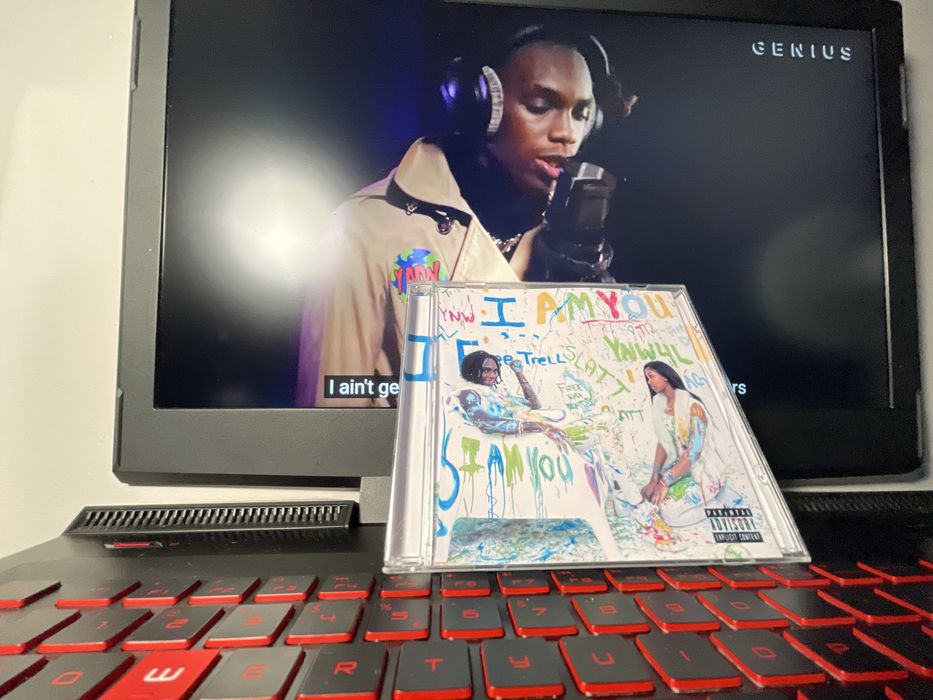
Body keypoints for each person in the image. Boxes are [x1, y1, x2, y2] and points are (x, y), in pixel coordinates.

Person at [295, 25, 635, 407]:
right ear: (482, 106)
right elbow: (334, 405)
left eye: (581, 113)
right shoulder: (364, 228)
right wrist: (416, 393)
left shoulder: (574, 242)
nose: (566, 133)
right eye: (541, 106)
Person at [638, 360, 727, 525]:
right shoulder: (661, 405)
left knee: (669, 514)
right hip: (681, 470)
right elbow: (663, 443)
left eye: (651, 376)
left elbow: (695, 451)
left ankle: (715, 506)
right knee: (651, 500)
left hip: (704, 473)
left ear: (665, 376)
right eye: (647, 379)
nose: (649, 382)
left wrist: (664, 482)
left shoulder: (693, 407)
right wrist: (654, 479)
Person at [454, 350, 568, 442]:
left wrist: (519, 374)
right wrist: (539, 426)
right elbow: (486, 424)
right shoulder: (468, 394)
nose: (492, 375)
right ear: (472, 370)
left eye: (495, 371)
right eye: (486, 371)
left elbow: (534, 405)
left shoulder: (498, 394)